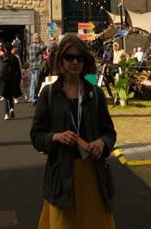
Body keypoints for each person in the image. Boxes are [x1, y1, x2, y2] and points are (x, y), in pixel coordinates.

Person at [29, 33, 116, 228]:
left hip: (93, 177)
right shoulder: (49, 94)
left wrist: (102, 143)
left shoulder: (95, 93)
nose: (75, 62)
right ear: (61, 59)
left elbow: (109, 133)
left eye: (79, 57)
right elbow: (36, 136)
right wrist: (55, 137)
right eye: (69, 57)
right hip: (62, 177)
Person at [0, 42, 23, 119]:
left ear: (5, 49)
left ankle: (6, 113)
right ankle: (12, 108)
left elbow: (0, 69)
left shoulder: (3, 57)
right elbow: (18, 69)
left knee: (5, 96)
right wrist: (19, 79)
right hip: (13, 78)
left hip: (5, 79)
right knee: (10, 95)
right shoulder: (15, 58)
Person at [27, 32, 46, 103]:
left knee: (33, 82)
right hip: (37, 66)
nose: (39, 39)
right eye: (38, 37)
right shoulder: (38, 46)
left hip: (32, 66)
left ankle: (31, 97)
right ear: (36, 38)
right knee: (36, 82)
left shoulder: (30, 46)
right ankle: (34, 98)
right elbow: (45, 47)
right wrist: (41, 41)